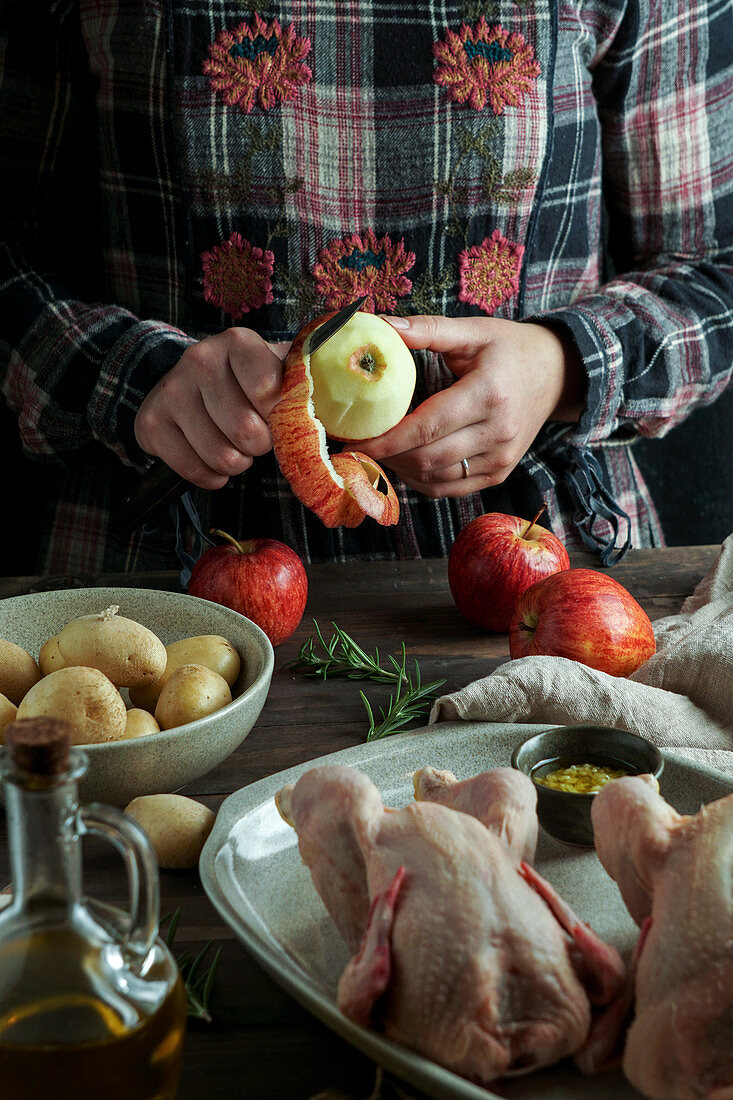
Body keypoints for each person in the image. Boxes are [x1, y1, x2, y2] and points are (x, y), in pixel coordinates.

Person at [1, 0, 731, 576]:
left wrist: (564, 364)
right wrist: (132, 375)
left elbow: (715, 264)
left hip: (530, 571)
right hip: (168, 573)